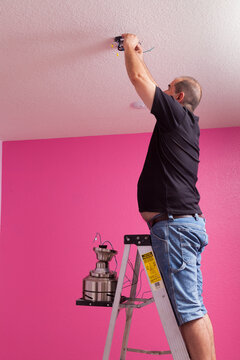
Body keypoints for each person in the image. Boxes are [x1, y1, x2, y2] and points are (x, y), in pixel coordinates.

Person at [121, 33, 216, 360]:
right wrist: (140, 56)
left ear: (177, 97)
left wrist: (132, 47)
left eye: (168, 87)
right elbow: (148, 79)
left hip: (175, 227)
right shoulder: (183, 123)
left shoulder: (176, 117)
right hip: (183, 224)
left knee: (190, 310)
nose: (161, 89)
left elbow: (138, 77)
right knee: (195, 307)